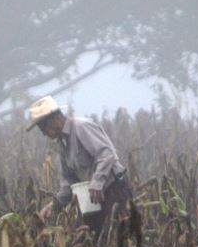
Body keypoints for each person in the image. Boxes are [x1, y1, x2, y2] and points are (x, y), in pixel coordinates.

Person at [27, 96, 132, 236]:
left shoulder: (82, 127)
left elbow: (107, 153)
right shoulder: (62, 143)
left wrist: (97, 182)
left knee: (117, 238)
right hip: (94, 198)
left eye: (42, 127)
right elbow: (69, 181)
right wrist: (54, 206)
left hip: (114, 190)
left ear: (54, 119)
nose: (43, 133)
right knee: (95, 239)